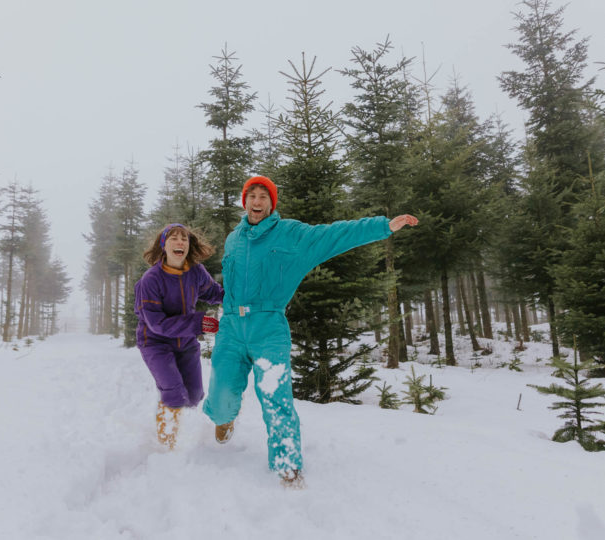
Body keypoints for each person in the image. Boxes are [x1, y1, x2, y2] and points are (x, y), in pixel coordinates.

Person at [202, 176, 418, 487]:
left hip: (268, 328)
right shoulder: (234, 238)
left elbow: (336, 234)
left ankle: (288, 465)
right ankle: (225, 417)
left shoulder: (291, 235)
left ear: (272, 203)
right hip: (232, 328)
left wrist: (384, 226)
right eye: (252, 196)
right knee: (220, 398)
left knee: (276, 399)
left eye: (264, 196)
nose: (257, 202)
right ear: (244, 201)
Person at [134, 223, 224, 450]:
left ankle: (176, 419)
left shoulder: (195, 271)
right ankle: (167, 446)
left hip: (185, 341)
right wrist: (198, 322)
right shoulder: (150, 280)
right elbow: (157, 324)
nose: (180, 242)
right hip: (154, 342)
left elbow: (215, 293)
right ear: (164, 245)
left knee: (194, 396)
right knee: (174, 392)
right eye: (174, 238)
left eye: (184, 238)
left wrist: (238, 298)